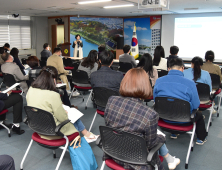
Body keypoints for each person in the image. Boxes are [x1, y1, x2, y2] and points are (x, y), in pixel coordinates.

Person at [104, 68, 180, 170]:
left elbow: (110, 126)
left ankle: (170, 159)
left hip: (113, 153)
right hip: (137, 162)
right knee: (159, 137)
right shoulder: (149, 114)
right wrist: (162, 138)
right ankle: (170, 159)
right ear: (146, 85)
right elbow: (151, 144)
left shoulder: (111, 101)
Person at [26, 66, 98, 142]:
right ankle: (86, 135)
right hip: (53, 131)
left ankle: (87, 134)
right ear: (53, 80)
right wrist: (65, 113)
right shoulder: (53, 95)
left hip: (37, 127)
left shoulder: (31, 90)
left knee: (71, 113)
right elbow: (63, 118)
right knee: (72, 115)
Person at [154, 58, 207, 145]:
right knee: (199, 115)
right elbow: (196, 105)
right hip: (184, 121)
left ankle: (174, 133)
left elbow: (156, 100)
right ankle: (201, 139)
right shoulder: (190, 83)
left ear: (168, 68)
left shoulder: (159, 81)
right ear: (182, 68)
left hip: (164, 118)